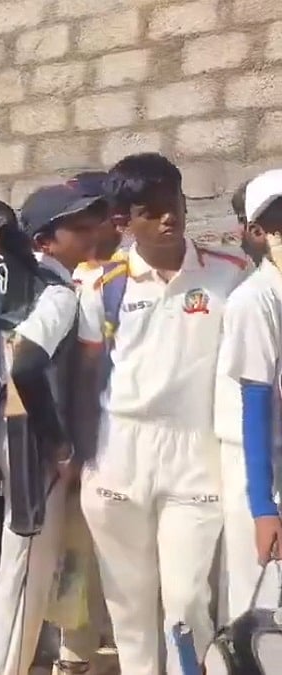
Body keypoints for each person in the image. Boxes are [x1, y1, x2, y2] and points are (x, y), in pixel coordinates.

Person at [71, 153, 249, 674]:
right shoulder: (100, 284)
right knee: (128, 614)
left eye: (175, 205)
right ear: (124, 223)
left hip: (196, 461)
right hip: (118, 459)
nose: (169, 218)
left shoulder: (229, 274)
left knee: (188, 602)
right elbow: (86, 378)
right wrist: (83, 457)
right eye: (152, 211)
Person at [0, 185, 103, 675]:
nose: (90, 233)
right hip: (33, 441)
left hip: (13, 432)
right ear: (45, 241)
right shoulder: (56, 294)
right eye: (76, 227)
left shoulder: (19, 286)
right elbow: (27, 367)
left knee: (23, 567)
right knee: (24, 573)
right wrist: (58, 443)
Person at [215, 169, 282, 621]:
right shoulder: (254, 300)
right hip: (261, 469)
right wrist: (263, 508)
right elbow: (255, 405)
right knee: (260, 613)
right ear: (259, 232)